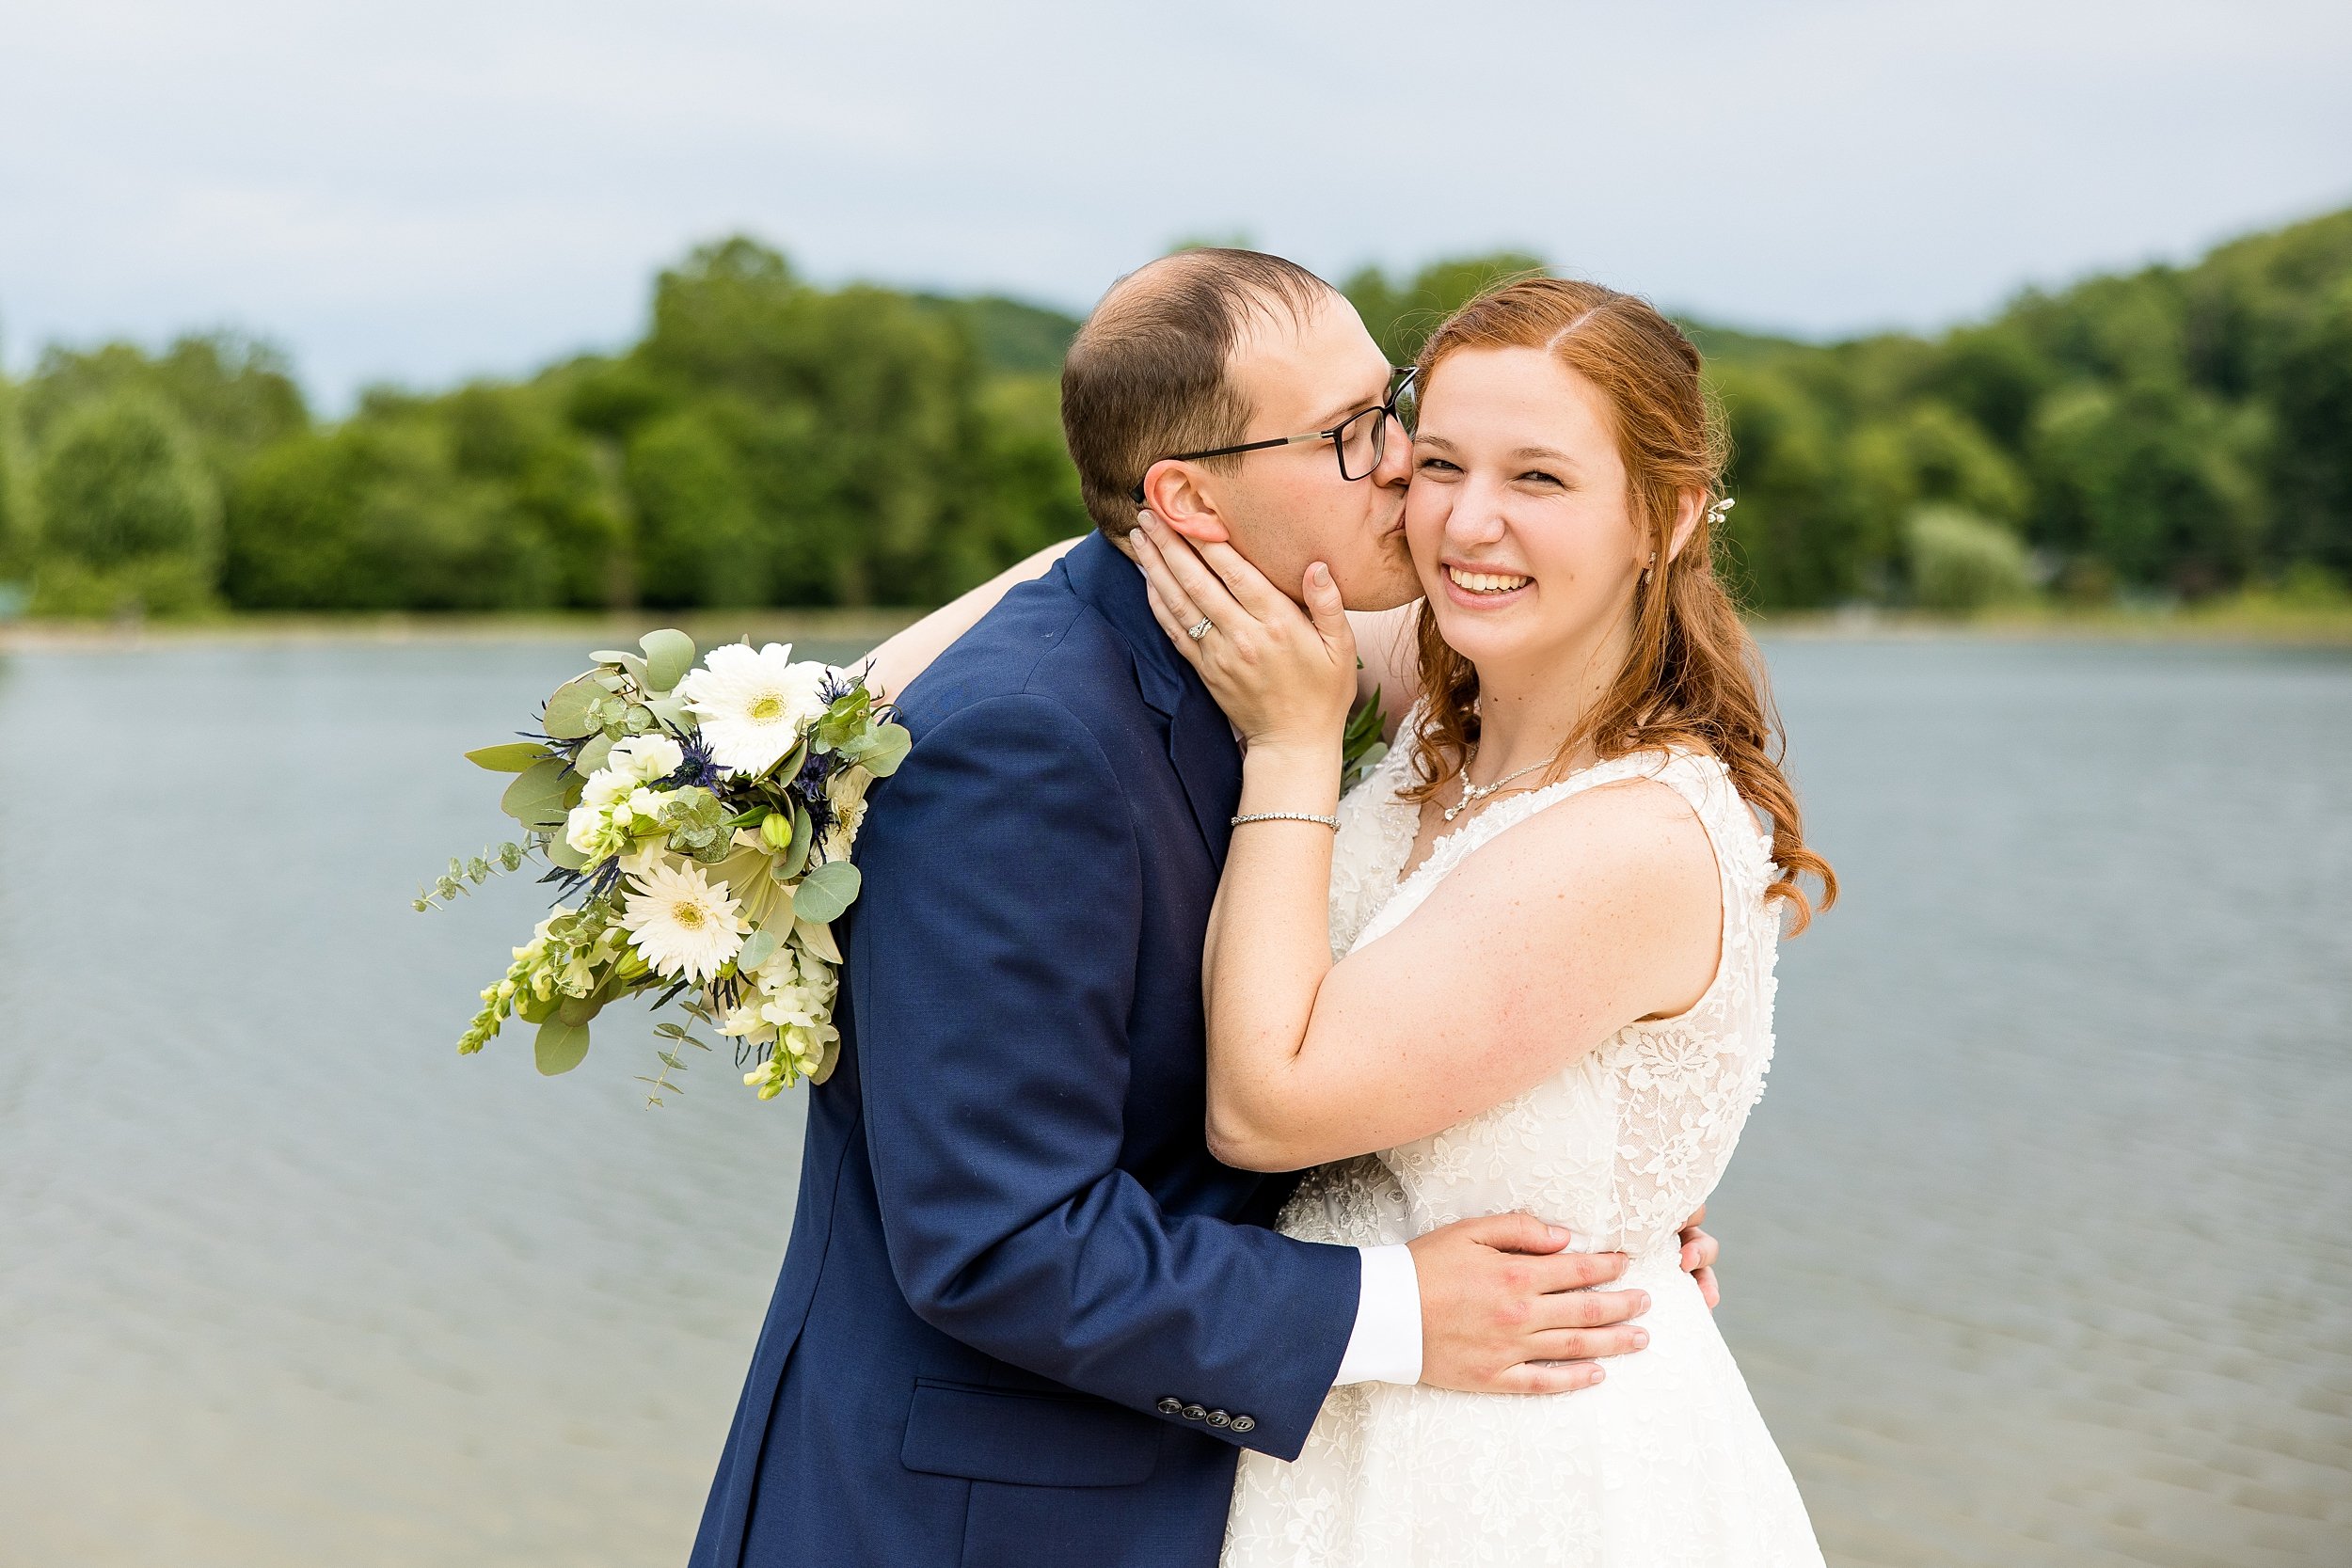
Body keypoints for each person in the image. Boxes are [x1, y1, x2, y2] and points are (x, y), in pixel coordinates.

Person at [687, 251, 1720, 1568]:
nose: (1404, 466)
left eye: (1390, 408)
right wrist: (1401, 1304)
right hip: (966, 1519)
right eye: (1353, 436)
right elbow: (998, 1239)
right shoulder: (1029, 743)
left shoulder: (1279, 650)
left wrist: (1594, 1184)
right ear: (1183, 499)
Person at [1128, 276, 1837, 1565]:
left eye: (1541, 480)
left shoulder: (1633, 839)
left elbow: (1265, 1108)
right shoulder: (1443, 696)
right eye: (1439, 462)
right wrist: (770, 746)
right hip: (1348, 1423)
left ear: (1664, 521)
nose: (1468, 524)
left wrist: (1292, 750)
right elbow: (1158, 519)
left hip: (1520, 1463)